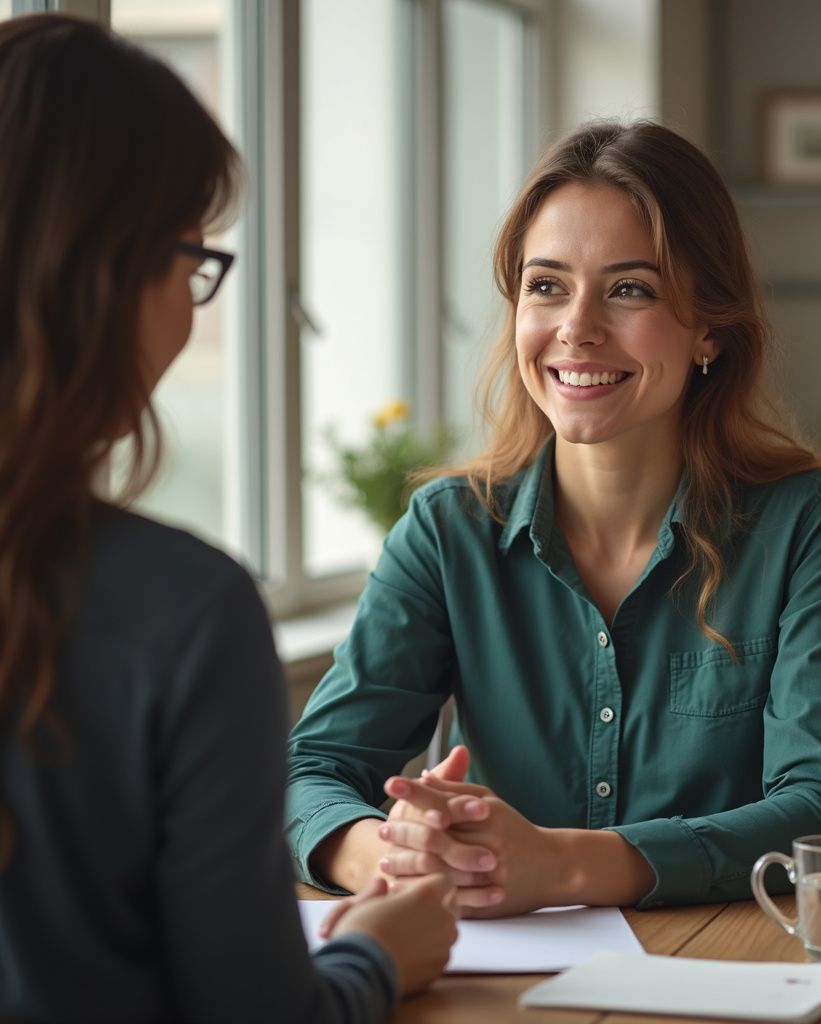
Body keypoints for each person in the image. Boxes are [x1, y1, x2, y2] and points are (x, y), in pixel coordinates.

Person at [286, 121, 821, 917]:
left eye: (629, 288)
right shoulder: (445, 531)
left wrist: (561, 865)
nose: (577, 327)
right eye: (546, 285)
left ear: (709, 326)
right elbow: (312, 772)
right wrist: (393, 857)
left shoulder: (807, 522)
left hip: (731, 969)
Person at [0, 14, 456, 1024]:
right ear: (108, 274)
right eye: (189, 260)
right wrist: (375, 955)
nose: (193, 307)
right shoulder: (184, 613)